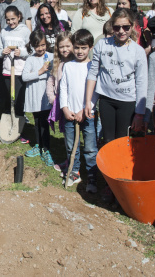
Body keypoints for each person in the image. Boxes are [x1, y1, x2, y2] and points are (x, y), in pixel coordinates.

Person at [84, 9, 147, 200]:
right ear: (112, 26)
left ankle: (122, 180)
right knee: (109, 142)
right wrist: (89, 101)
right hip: (107, 101)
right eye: (117, 27)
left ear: (132, 27)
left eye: (125, 27)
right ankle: (110, 183)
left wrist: (140, 113)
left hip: (127, 102)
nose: (121, 31)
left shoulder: (137, 51)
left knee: (123, 143)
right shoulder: (102, 44)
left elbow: (142, 82)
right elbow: (93, 73)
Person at [60, 29, 98, 192]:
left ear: (90, 47)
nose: (79, 51)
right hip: (70, 114)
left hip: (87, 114)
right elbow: (63, 88)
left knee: (89, 148)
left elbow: (95, 92)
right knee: (71, 145)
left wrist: (86, 109)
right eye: (76, 47)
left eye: (83, 48)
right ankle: (74, 171)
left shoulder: (92, 66)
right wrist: (65, 108)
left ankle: (92, 176)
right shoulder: (68, 66)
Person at [22, 30, 54, 166]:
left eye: (42, 45)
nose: (40, 49)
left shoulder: (51, 56)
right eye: (37, 46)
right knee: (37, 121)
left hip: (45, 95)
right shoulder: (30, 59)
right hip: (34, 95)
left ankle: (46, 149)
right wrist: (40, 72)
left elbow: (54, 73)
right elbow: (24, 77)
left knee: (44, 123)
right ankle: (38, 145)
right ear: (32, 46)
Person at [0, 6, 31, 118]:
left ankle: (20, 116)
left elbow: (31, 50)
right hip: (7, 69)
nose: (10, 22)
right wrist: (2, 52)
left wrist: (21, 52)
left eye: (13, 19)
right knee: (8, 95)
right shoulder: (4, 31)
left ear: (19, 17)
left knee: (18, 97)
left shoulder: (25, 31)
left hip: (20, 70)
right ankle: (8, 115)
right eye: (8, 19)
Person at [47, 31, 74, 172]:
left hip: (75, 104)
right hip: (61, 104)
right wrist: (52, 98)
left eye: (68, 46)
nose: (65, 49)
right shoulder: (57, 63)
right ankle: (69, 160)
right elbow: (50, 81)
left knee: (76, 135)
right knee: (67, 135)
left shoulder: (76, 62)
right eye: (61, 46)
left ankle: (75, 163)